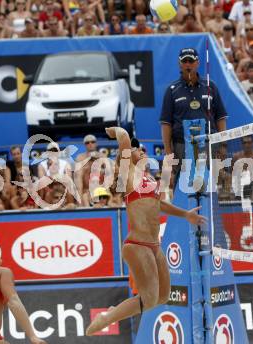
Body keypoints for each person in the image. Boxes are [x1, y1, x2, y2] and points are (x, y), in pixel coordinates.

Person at [86, 127, 206, 336]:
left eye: (142, 149)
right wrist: (116, 132)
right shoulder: (128, 173)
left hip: (153, 245)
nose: (141, 151)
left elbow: (159, 205)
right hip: (137, 244)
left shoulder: (149, 179)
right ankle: (107, 317)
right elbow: (124, 138)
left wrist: (186, 214)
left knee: (162, 297)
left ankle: (116, 311)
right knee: (149, 298)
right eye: (136, 149)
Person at [160, 48, 227, 189]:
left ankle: (208, 210)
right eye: (185, 61)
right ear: (179, 64)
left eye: (191, 61)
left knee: (209, 185)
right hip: (181, 146)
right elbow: (166, 124)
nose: (188, 64)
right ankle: (186, 210)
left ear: (198, 63)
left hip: (208, 144)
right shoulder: (172, 90)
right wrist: (168, 152)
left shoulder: (210, 86)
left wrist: (222, 144)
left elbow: (220, 117)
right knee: (184, 185)